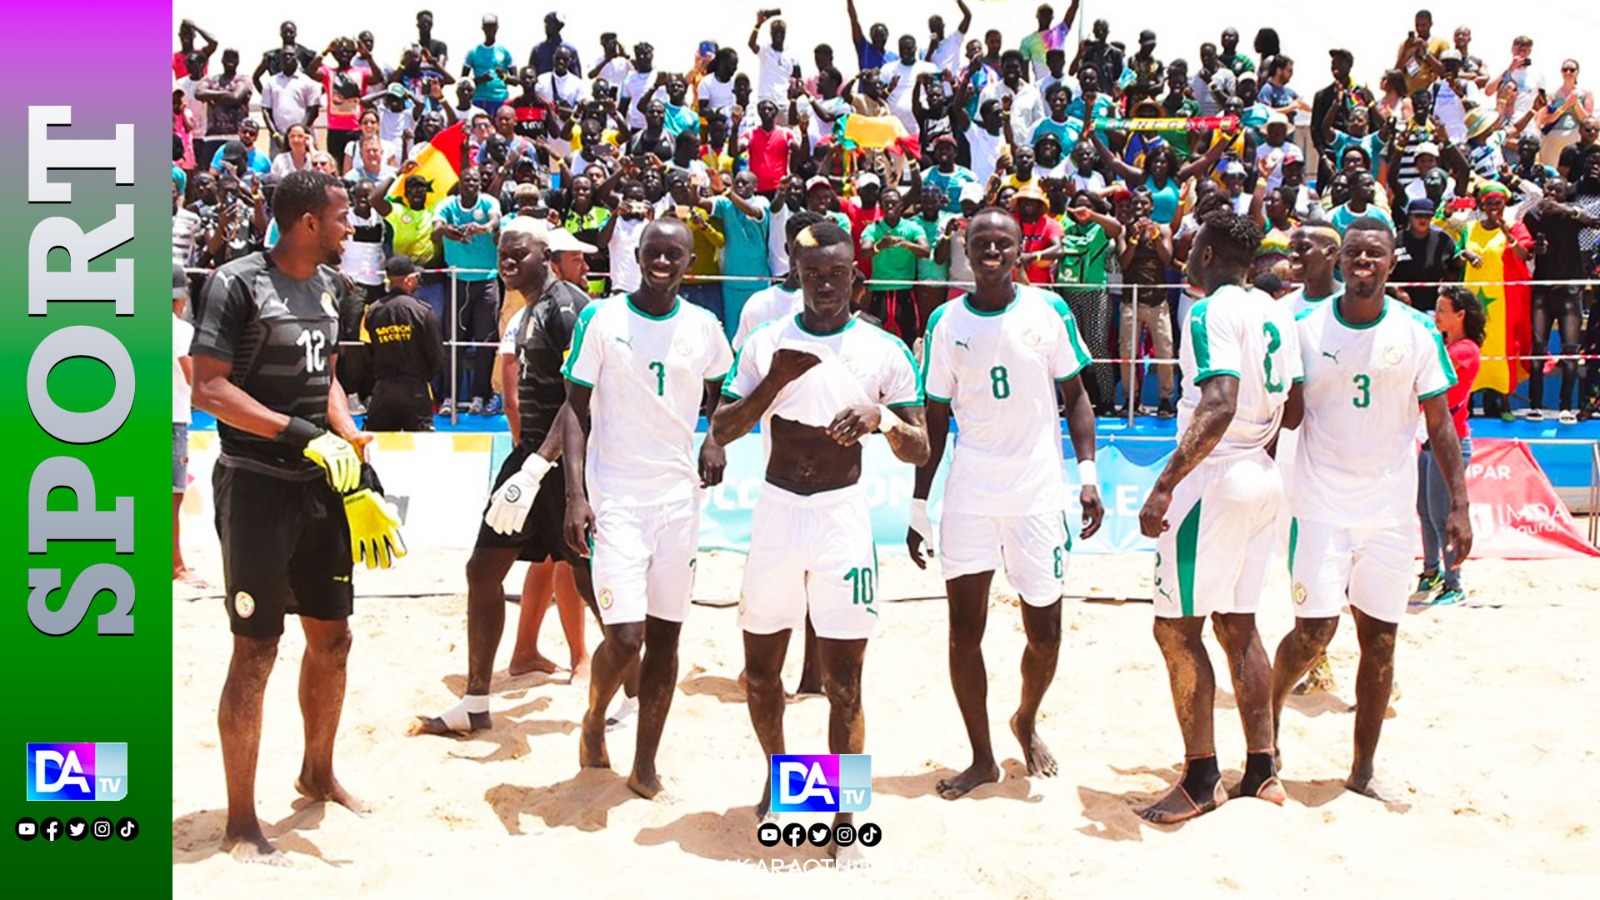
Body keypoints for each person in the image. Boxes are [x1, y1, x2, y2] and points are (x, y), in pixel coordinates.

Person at [190, 170, 405, 864]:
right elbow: (210, 388)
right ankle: (242, 820)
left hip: (321, 485)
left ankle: (317, 771)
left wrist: (346, 433)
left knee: (334, 639)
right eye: (344, 217)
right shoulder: (236, 282)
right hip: (256, 487)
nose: (353, 227)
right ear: (308, 221)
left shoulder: (332, 288)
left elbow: (329, 377)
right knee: (255, 650)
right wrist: (296, 433)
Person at [710, 219, 928, 855]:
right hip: (778, 512)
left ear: (855, 277)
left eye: (836, 274)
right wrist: (776, 381)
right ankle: (786, 784)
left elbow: (919, 449)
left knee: (843, 682)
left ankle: (839, 813)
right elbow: (721, 428)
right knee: (759, 674)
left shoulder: (884, 350)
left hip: (841, 518)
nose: (826, 285)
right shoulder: (765, 341)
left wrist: (881, 416)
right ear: (796, 277)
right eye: (813, 276)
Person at [1271, 216, 1471, 802]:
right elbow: (1288, 413)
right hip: (1321, 503)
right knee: (1313, 635)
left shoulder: (1415, 332)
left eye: (1373, 254)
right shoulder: (1306, 327)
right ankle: (1271, 726)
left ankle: (1361, 770)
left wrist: (1458, 506)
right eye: (1353, 252)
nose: (1362, 261)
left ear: (1391, 262)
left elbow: (1440, 424)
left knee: (1381, 639)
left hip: (1387, 510)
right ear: (1339, 261)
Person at [906, 208, 1102, 798]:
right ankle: (982, 757)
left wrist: (1087, 474)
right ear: (965, 248)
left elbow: (1077, 398)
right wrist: (920, 503)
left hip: (1038, 495)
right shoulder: (945, 321)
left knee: (1045, 634)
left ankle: (1025, 718)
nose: (992, 251)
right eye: (981, 242)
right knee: (964, 631)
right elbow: (934, 421)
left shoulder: (1050, 311)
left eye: (1004, 243)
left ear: (1021, 250)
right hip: (970, 495)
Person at [1134, 208, 1299, 823]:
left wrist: (1165, 484)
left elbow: (1219, 401)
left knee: (1176, 628)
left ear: (1207, 253)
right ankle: (1262, 768)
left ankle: (1202, 776)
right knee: (1240, 623)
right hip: (1262, 471)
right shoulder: (1277, 312)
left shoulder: (1208, 311)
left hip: (1216, 476)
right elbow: (1298, 406)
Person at [560, 218, 732, 798]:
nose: (663, 262)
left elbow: (723, 393)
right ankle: (593, 718)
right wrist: (576, 495)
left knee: (666, 640)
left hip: (680, 502)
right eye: (653, 252)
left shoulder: (704, 326)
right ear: (636, 254)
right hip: (617, 500)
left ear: (689, 262)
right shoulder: (602, 319)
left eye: (674, 255)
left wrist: (715, 439)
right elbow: (575, 411)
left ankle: (645, 764)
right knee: (626, 637)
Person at [415, 222, 600, 736]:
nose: (508, 260)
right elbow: (524, 397)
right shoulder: (527, 311)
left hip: (566, 467)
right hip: (530, 460)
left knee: (592, 585)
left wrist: (543, 464)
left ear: (547, 254)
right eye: (503, 253)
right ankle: (476, 701)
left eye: (519, 253)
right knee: (482, 571)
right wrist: (527, 461)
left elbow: (580, 397)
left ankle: (627, 699)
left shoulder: (568, 307)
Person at [1418, 287, 1484, 606]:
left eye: (1442, 309)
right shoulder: (1448, 345)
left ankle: (1453, 583)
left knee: (1442, 513)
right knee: (1425, 510)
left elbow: (1445, 393)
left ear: (1461, 315)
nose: (1436, 315)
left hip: (1452, 441)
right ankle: (1431, 571)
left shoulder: (1464, 350)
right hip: (1433, 439)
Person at [1524, 181, 1600, 421]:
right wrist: (1536, 249)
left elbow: (1593, 221)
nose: (1551, 195)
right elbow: (1525, 246)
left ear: (1566, 195)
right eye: (1548, 190)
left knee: (1570, 350)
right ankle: (1535, 406)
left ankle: (1565, 407)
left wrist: (1565, 209)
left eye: (1557, 191)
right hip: (1542, 290)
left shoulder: (1572, 215)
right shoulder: (1533, 215)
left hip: (1569, 290)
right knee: (1538, 349)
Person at [1458, 183, 1533, 421]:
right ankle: (1465, 402)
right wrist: (1465, 254)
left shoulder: (1515, 227)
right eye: (1489, 203)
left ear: (1504, 205)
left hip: (1503, 301)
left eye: (1498, 204)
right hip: (1472, 299)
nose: (1493, 208)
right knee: (1471, 346)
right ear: (1482, 205)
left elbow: (1524, 254)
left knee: (1501, 349)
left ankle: (1502, 402)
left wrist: (1505, 231)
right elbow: (1456, 254)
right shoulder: (1469, 228)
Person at [433, 166, 503, 415]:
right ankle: (448, 398)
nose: (471, 184)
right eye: (467, 180)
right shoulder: (447, 205)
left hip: (486, 280)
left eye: (475, 180)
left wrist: (483, 228)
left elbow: (495, 221)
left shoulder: (489, 202)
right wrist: (446, 231)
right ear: (460, 184)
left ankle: (479, 396)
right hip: (457, 280)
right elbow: (436, 229)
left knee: (486, 341)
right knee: (453, 342)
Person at [362, 257, 445, 432]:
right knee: (421, 447)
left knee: (377, 446)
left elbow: (366, 353)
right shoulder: (423, 312)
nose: (418, 281)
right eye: (416, 277)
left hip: (382, 390)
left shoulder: (372, 312)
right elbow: (437, 355)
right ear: (408, 280)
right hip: (416, 389)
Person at [1120, 191, 1176, 417]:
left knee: (1165, 351)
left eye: (1144, 202)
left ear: (1151, 207)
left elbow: (1167, 259)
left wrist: (1153, 236)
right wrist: (1133, 240)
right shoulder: (1125, 230)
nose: (1140, 206)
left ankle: (1165, 399)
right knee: (1127, 352)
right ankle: (1130, 398)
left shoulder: (1163, 229)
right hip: (1130, 301)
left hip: (1157, 300)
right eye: (1136, 203)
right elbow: (1124, 263)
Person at [860, 186, 930, 341]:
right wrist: (880, 246)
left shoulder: (912, 228)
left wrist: (907, 245)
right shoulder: (873, 228)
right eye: (885, 203)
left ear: (901, 205)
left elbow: (926, 251)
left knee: (908, 337)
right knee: (876, 338)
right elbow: (864, 252)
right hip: (880, 290)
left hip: (904, 290)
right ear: (881, 206)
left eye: (893, 202)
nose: (890, 205)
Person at [173, 262, 203, 586]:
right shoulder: (179, 329)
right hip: (173, 418)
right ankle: (176, 565)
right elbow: (191, 376)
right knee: (173, 496)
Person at [1390, 198, 1458, 311]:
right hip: (1402, 306)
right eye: (1418, 215)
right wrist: (1397, 291)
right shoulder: (1396, 241)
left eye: (1427, 216)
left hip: (1435, 307)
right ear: (1409, 216)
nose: (1423, 219)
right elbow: (1384, 274)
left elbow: (1454, 269)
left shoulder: (1444, 240)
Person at [1536, 60, 1593, 167]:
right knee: (1549, 170)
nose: (1568, 73)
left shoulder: (1586, 93)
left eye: (1572, 70)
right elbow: (1545, 119)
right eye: (1565, 69)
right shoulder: (1553, 94)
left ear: (1577, 72)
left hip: (1575, 134)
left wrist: (1575, 104)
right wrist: (1564, 107)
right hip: (1553, 135)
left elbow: (1587, 120)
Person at [464, 16, 515, 119]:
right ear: (482, 28)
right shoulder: (473, 52)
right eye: (487, 27)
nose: (490, 30)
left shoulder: (505, 51)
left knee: (501, 131)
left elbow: (516, 81)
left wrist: (504, 77)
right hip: (479, 99)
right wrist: (481, 79)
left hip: (501, 99)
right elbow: (463, 81)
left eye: (492, 26)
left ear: (497, 27)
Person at [530, 12, 582, 76]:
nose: (546, 27)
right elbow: (531, 75)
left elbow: (576, 77)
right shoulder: (538, 49)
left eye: (549, 24)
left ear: (558, 26)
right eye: (545, 24)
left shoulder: (570, 49)